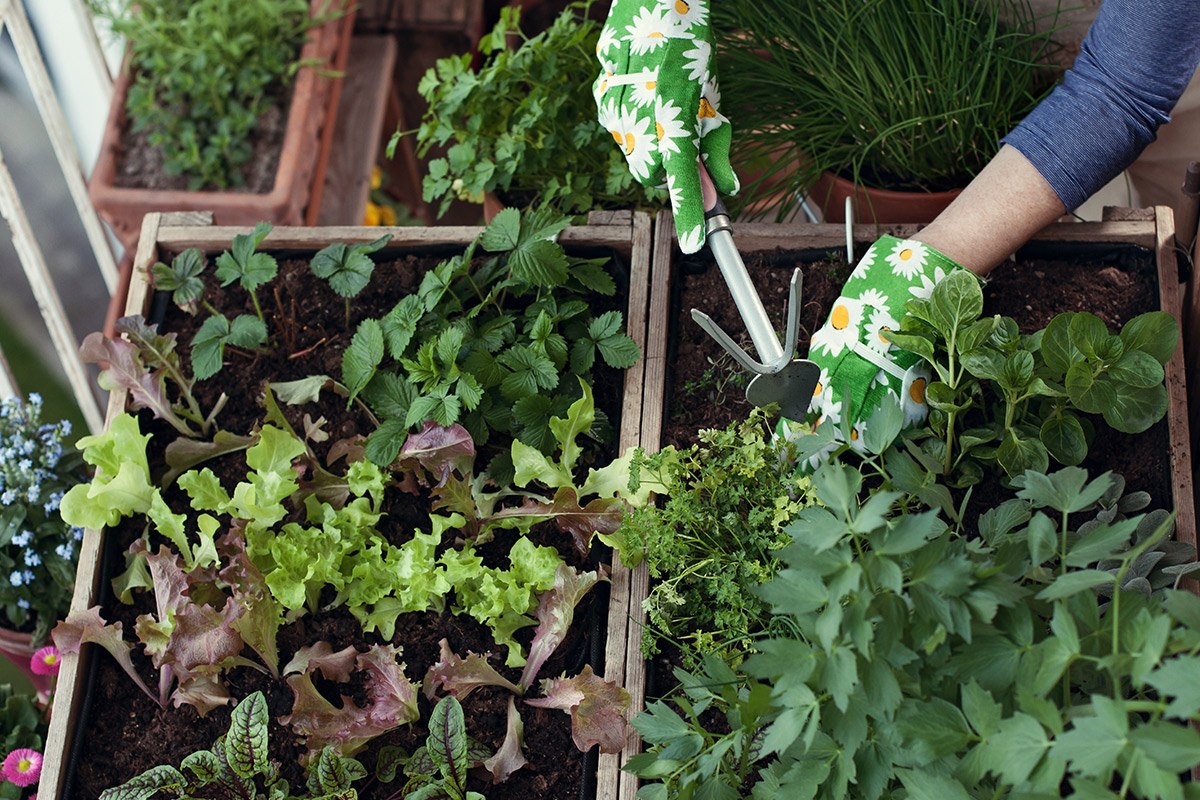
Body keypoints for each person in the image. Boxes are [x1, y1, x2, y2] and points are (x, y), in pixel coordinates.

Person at [593, 0, 1200, 447]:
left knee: (1137, 220)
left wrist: (934, 262)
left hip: (1110, 38)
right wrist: (661, 10)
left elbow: (1121, 86)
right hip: (935, 31)